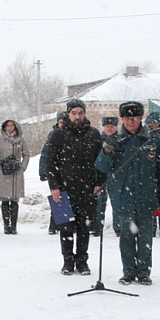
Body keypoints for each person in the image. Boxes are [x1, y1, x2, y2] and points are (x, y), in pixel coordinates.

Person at [95, 102, 160, 286]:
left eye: (135, 118)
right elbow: (101, 166)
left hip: (147, 196)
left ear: (141, 119)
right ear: (122, 119)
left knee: (146, 238)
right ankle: (128, 271)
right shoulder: (115, 140)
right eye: (128, 118)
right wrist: (106, 150)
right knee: (127, 238)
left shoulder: (152, 140)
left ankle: (144, 272)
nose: (131, 122)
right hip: (124, 197)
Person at [45, 99, 103, 275]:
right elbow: (50, 162)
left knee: (84, 227)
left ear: (84, 114)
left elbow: (100, 161)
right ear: (68, 114)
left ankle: (82, 261)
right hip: (64, 189)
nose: (77, 117)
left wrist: (99, 182)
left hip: (87, 189)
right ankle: (68, 261)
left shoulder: (93, 134)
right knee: (66, 227)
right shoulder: (58, 135)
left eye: (80, 113)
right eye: (74, 113)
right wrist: (54, 186)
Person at [0, 119, 30, 235]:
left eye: (12, 125)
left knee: (14, 201)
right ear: (4, 127)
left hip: (16, 173)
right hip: (3, 173)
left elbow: (26, 154)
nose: (10, 127)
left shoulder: (20, 139)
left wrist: (22, 167)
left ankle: (13, 226)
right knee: (4, 201)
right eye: (7, 125)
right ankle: (6, 226)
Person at [39, 112, 67, 235]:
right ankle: (54, 225)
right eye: (61, 122)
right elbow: (45, 155)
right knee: (58, 198)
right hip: (56, 171)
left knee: (67, 199)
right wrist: (43, 171)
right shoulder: (53, 135)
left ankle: (65, 224)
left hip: (68, 171)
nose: (63, 125)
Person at [95, 116, 119, 237]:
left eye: (112, 126)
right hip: (101, 176)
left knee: (117, 203)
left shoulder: (121, 140)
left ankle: (118, 228)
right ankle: (97, 227)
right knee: (99, 203)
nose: (110, 129)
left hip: (116, 177)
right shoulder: (98, 140)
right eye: (107, 126)